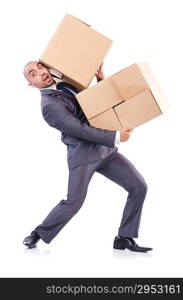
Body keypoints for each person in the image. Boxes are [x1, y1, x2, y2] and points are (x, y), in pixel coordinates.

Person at [22, 61, 152, 253]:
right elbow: (79, 129)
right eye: (33, 74)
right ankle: (38, 233)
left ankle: (124, 237)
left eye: (40, 67)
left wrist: (100, 82)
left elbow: (91, 106)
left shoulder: (66, 84)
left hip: (105, 151)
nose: (40, 73)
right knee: (73, 203)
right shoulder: (49, 105)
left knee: (139, 186)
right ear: (31, 84)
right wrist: (116, 136)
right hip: (83, 156)